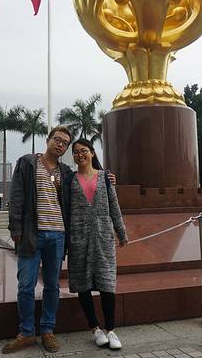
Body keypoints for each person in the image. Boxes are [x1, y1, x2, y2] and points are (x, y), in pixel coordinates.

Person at [2, 126, 74, 354]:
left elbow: (84, 182)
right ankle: (26, 332)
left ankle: (47, 330)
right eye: (57, 139)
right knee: (26, 285)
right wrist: (15, 227)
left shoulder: (65, 171)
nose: (60, 144)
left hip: (58, 234)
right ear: (48, 139)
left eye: (65, 143)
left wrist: (107, 177)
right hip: (32, 234)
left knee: (52, 285)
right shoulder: (28, 163)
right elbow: (16, 196)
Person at [68, 138, 128, 350]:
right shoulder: (69, 180)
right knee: (83, 284)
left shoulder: (105, 178)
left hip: (103, 238)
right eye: (76, 152)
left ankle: (110, 329)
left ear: (92, 153)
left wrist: (121, 233)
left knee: (107, 284)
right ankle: (95, 329)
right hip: (79, 239)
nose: (80, 155)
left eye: (84, 150)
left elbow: (114, 207)